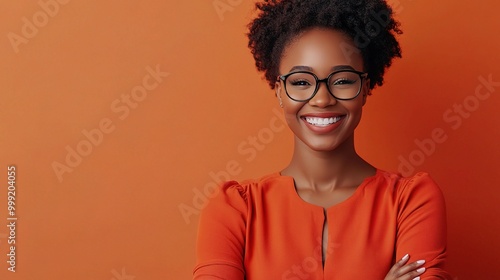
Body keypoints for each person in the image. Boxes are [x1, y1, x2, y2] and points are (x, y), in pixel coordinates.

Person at [193, 0, 452, 279]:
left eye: (342, 81)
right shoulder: (235, 209)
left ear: (365, 88)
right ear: (280, 91)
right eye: (301, 82)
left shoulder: (411, 201)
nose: (322, 99)